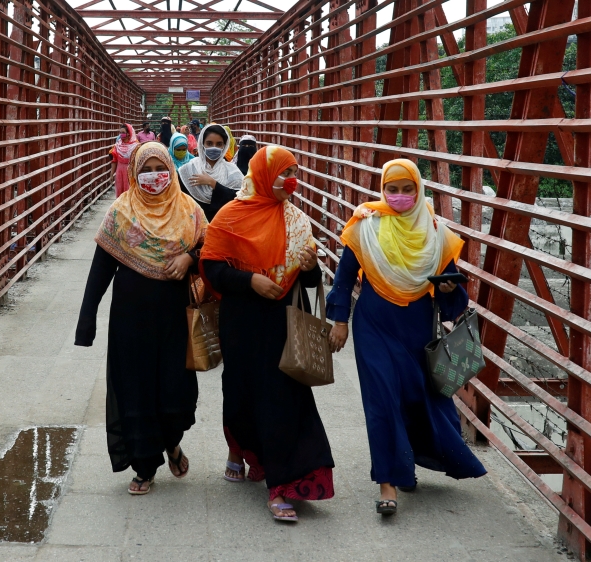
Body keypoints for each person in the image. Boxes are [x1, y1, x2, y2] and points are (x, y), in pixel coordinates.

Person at [326, 158, 486, 516]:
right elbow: (344, 276)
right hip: (374, 326)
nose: (398, 196)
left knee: (415, 398)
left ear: (418, 189)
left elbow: (454, 297)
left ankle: (407, 459)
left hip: (417, 330)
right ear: (382, 189)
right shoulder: (365, 225)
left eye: (406, 189)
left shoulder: (433, 232)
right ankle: (388, 482)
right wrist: (339, 321)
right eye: (391, 189)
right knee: (382, 401)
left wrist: (446, 289)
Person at [201, 145, 334, 523]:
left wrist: (309, 267)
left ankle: (282, 484)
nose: (290, 181)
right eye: (283, 173)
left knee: (283, 397)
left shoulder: (296, 221)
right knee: (240, 391)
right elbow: (210, 267)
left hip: (282, 320)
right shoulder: (231, 216)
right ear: (262, 175)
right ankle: (239, 447)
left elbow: (308, 280)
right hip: (241, 319)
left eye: (294, 172)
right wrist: (250, 280)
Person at [75, 142, 209, 496]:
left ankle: (172, 443)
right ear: (134, 173)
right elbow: (101, 269)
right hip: (130, 321)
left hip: (175, 320)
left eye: (159, 167)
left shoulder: (190, 211)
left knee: (173, 390)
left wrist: (190, 258)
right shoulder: (120, 213)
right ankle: (144, 466)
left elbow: (213, 251)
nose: (154, 176)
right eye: (145, 169)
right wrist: (86, 322)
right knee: (135, 389)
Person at [177, 123, 244, 220]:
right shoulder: (188, 170)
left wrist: (213, 183)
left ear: (225, 146)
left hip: (223, 227)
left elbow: (239, 200)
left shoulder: (232, 171)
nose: (214, 147)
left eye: (219, 144)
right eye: (209, 143)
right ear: (202, 144)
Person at [109, 124, 138, 198]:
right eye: (120, 132)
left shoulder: (136, 146)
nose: (121, 134)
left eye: (123, 132)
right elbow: (114, 161)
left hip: (131, 172)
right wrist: (111, 174)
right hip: (119, 172)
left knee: (130, 192)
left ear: (129, 133)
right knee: (120, 192)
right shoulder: (117, 145)